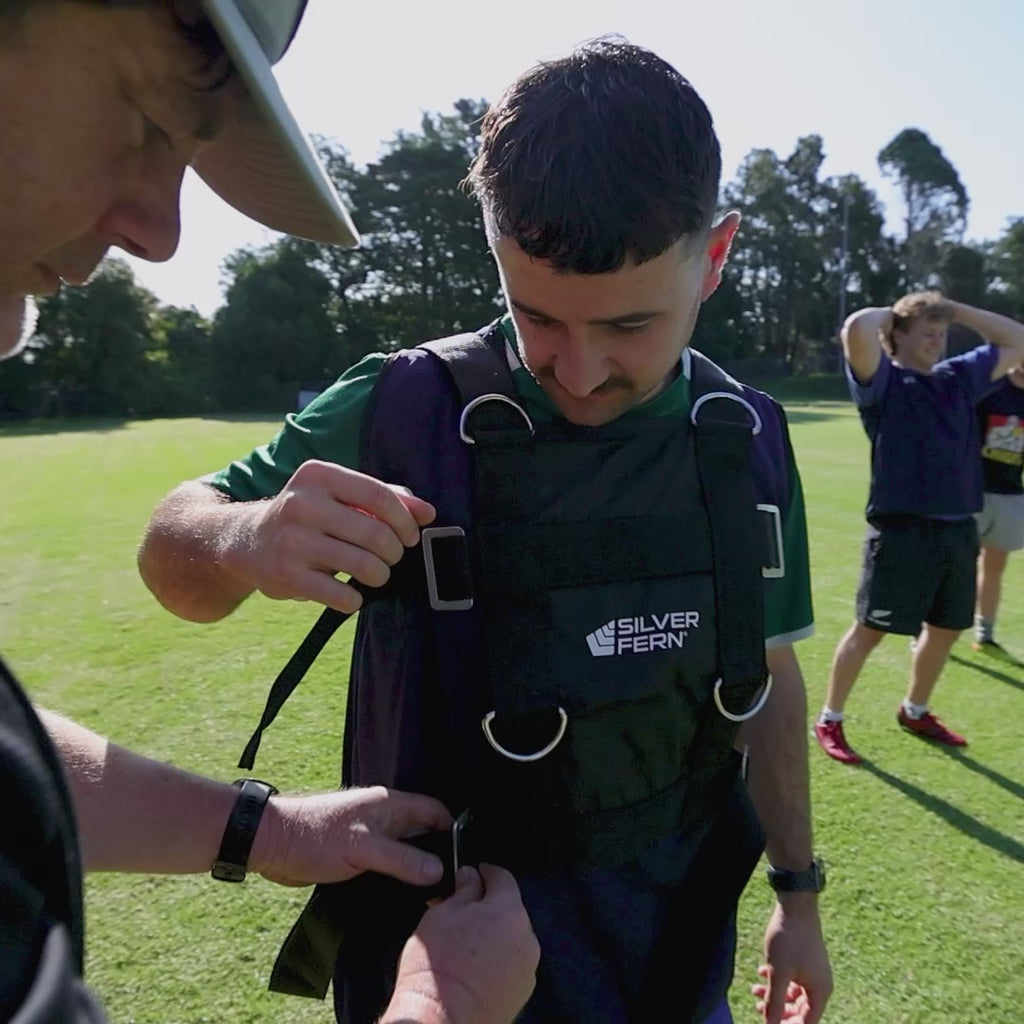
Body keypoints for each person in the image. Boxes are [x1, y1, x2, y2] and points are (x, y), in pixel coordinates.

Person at [139, 39, 832, 1024]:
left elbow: (763, 676)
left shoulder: (744, 436)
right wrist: (240, 534)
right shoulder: (402, 405)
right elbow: (172, 548)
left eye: (629, 326)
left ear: (713, 256)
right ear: (493, 246)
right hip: (441, 966)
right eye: (537, 316)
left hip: (674, 955)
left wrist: (796, 895)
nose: (580, 371)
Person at [0, 1, 538, 1021]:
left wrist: (266, 830)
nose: (162, 234)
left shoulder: (728, 424)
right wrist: (440, 1008)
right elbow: (174, 544)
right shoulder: (405, 392)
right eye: (151, 122)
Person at [815, 293, 1024, 766]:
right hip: (901, 529)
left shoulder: (959, 377)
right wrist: (902, 311)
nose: (936, 339)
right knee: (871, 630)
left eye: (941, 332)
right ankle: (830, 717)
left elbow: (1018, 340)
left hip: (957, 528)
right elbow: (855, 329)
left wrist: (954, 307)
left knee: (948, 627)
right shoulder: (883, 381)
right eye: (925, 331)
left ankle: (915, 710)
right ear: (898, 336)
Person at [972, 365, 1024, 659]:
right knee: (952, 566)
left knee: (995, 566)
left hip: (1010, 495)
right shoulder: (990, 387)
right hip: (970, 494)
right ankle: (923, 629)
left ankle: (985, 631)